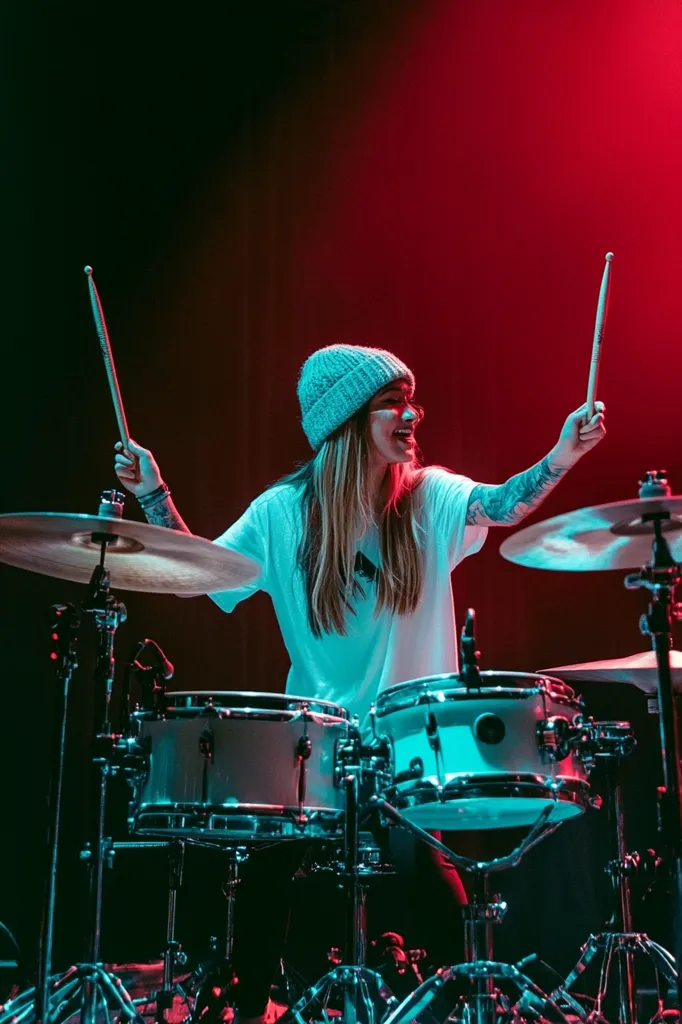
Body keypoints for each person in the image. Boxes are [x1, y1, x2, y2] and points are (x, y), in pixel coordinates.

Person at [114, 343, 606, 1024]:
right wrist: (151, 493)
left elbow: (503, 505)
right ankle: (251, 1005)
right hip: (319, 748)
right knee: (263, 885)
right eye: (392, 403)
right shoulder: (282, 512)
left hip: (409, 744)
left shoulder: (429, 494)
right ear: (346, 421)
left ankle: (468, 1006)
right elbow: (201, 577)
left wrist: (563, 454)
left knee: (438, 893)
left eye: (412, 401)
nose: (412, 416)